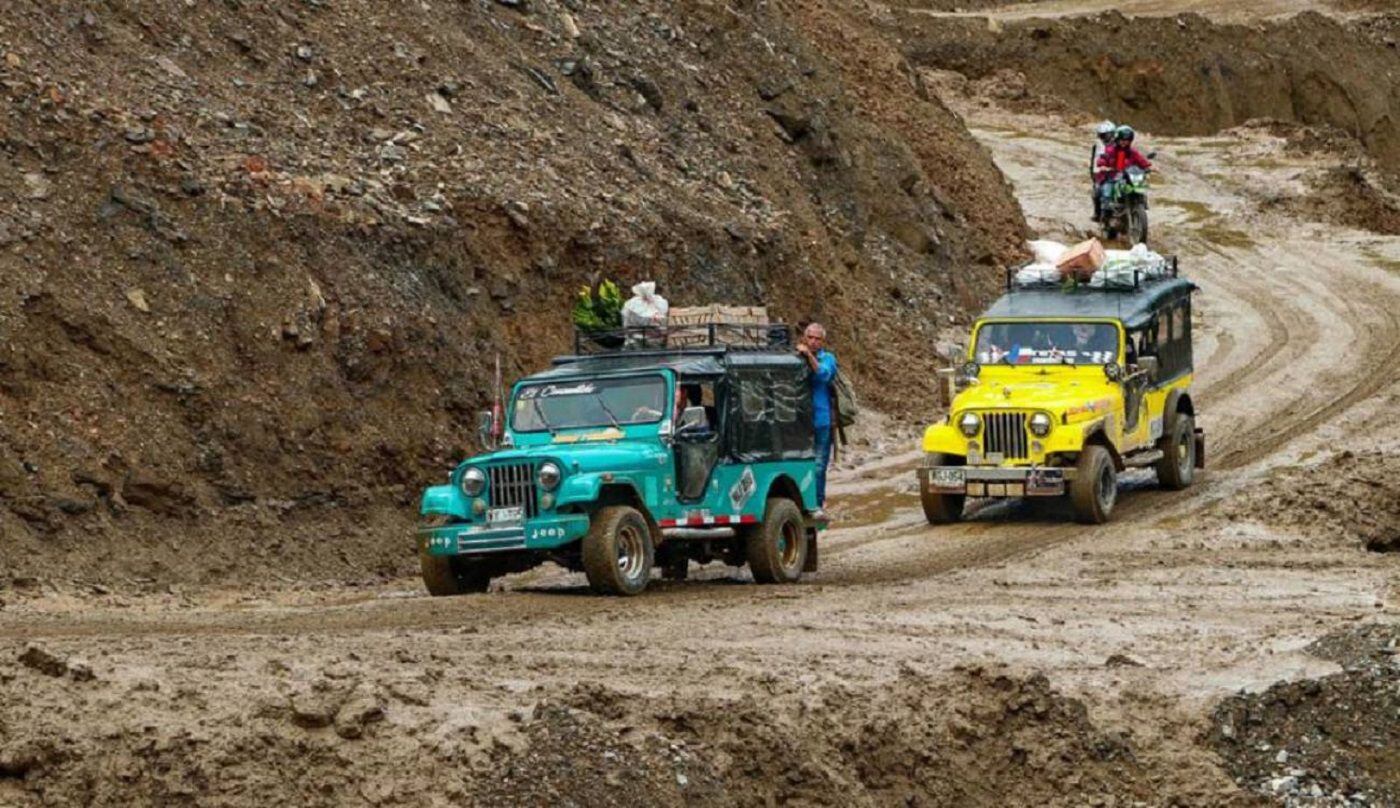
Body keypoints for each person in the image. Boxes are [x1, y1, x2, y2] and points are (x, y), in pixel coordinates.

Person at [797, 322, 837, 517]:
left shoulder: (828, 359)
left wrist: (809, 356)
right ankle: (802, 503)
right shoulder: (796, 357)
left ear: (823, 341)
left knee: (819, 465)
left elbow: (822, 375)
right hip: (798, 423)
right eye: (810, 337)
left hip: (821, 421)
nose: (813, 341)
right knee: (799, 462)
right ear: (804, 338)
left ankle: (817, 504)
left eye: (817, 338)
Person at [1097, 125, 1153, 215]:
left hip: (1127, 178)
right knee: (1106, 192)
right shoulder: (1111, 150)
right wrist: (1103, 165)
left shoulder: (1132, 152)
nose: (1124, 143)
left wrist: (1149, 166)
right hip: (1113, 177)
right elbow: (1103, 159)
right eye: (1122, 140)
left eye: (1127, 141)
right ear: (1117, 140)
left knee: (1140, 188)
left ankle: (1141, 203)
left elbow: (1141, 160)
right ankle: (1105, 214)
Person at [1091, 120, 1116, 222]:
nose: (1105, 138)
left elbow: (1132, 156)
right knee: (1097, 191)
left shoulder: (1122, 144)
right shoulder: (1098, 146)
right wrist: (1095, 175)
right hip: (1103, 174)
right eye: (1102, 136)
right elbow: (1094, 161)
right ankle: (1098, 213)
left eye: (1107, 135)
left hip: (1119, 173)